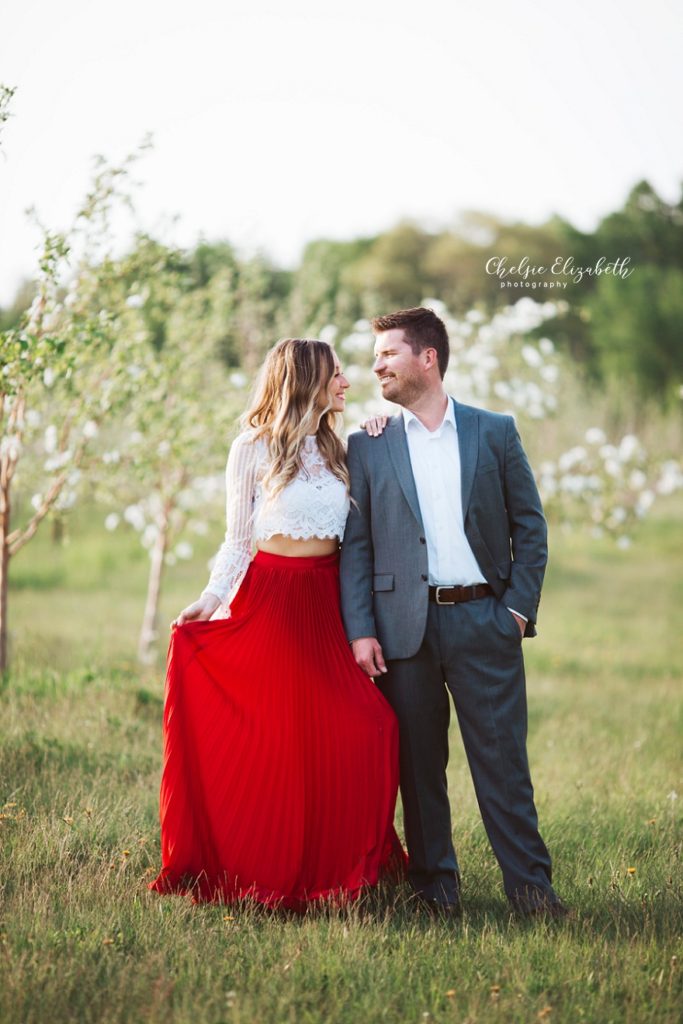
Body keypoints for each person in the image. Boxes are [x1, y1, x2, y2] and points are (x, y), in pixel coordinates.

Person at [149, 338, 405, 910]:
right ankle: (260, 868)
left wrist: (385, 430)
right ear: (307, 379)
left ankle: (344, 869)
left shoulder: (342, 448)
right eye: (336, 375)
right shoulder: (253, 447)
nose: (346, 383)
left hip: (325, 605)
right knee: (276, 745)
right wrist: (211, 599)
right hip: (269, 602)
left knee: (370, 728)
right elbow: (238, 541)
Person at [340, 306, 567, 918]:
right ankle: (436, 894)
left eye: (388, 353)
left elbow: (531, 527)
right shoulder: (367, 444)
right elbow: (355, 546)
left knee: (503, 765)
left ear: (427, 357)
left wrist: (516, 611)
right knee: (419, 771)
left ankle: (532, 894)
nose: (376, 365)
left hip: (484, 622)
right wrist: (360, 629)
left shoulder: (495, 431)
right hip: (402, 631)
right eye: (375, 356)